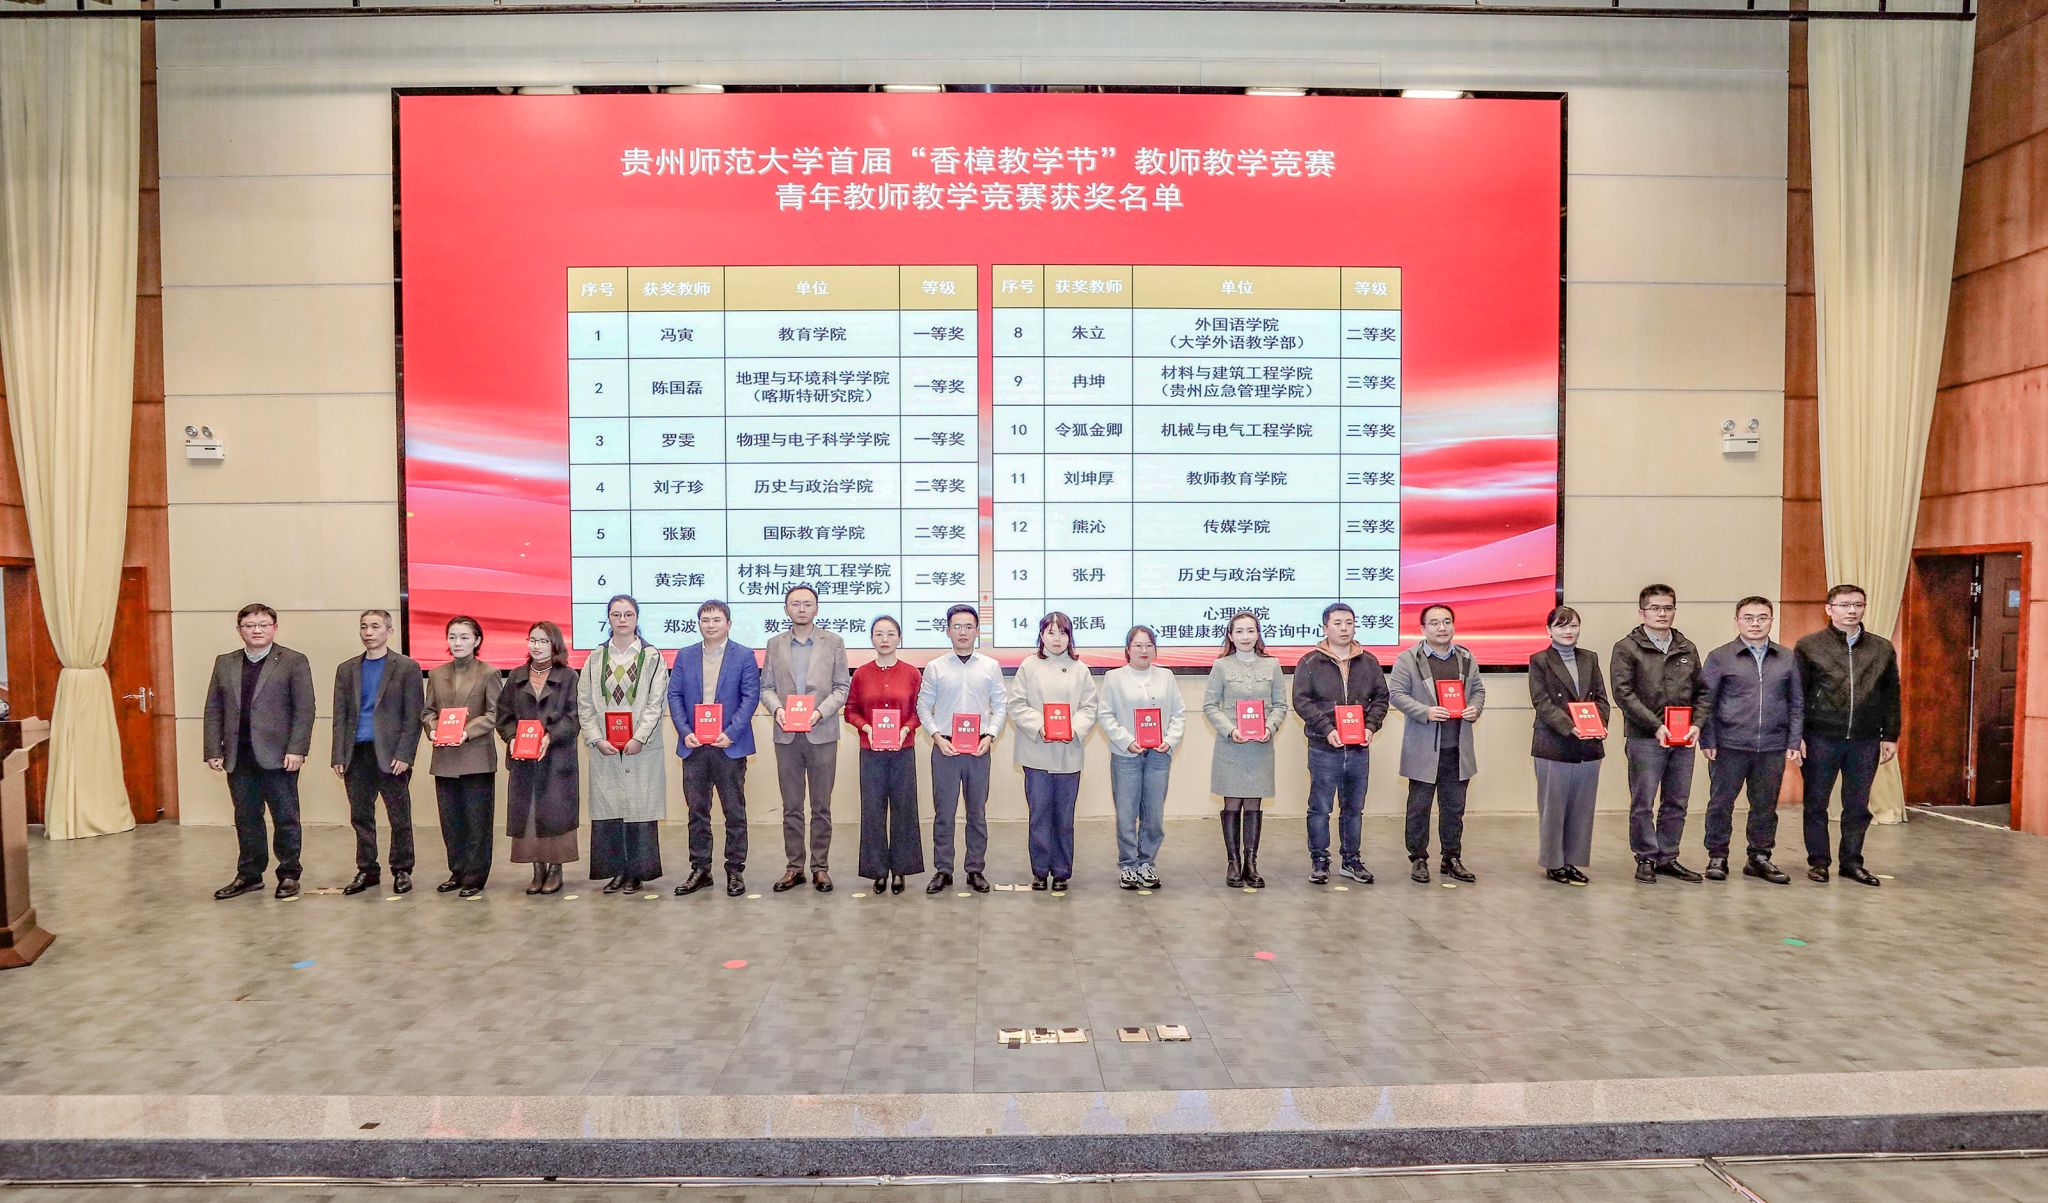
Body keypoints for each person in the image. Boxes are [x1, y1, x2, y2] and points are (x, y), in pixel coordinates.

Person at [203, 603, 316, 900]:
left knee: (285, 817)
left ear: (274, 628)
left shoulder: (293, 661)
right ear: (239, 630)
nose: (257, 630)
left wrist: (297, 749)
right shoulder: (225, 662)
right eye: (250, 625)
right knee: (246, 818)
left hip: (279, 756)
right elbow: (213, 708)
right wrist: (213, 748)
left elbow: (305, 710)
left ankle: (289, 874)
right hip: (238, 756)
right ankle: (249, 875)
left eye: (264, 624)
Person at [1794, 584, 1900, 887]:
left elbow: (1891, 695)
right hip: (1820, 737)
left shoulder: (1881, 648)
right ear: (1829, 609)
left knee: (1857, 805)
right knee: (1816, 803)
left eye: (1858, 604)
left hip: (1865, 739)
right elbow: (1797, 694)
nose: (1851, 610)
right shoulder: (1809, 646)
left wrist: (1890, 735)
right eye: (1844, 605)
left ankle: (1852, 862)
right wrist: (1796, 735)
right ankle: (1819, 862)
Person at [1610, 584, 1712, 884]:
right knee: (1643, 802)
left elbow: (1702, 692)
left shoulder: (1686, 647)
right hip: (1646, 738)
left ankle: (1668, 857)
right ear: (1641, 612)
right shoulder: (1627, 648)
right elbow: (1623, 693)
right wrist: (1656, 726)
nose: (1662, 613)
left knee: (1677, 801)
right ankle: (1645, 857)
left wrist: (1697, 724)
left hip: (1683, 738)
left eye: (1668, 608)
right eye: (1655, 608)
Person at [1700, 596, 1802, 885]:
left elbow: (1796, 703)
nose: (1755, 623)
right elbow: (1706, 702)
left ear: (1771, 620)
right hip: (1729, 744)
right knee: (1721, 803)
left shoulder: (1787, 657)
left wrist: (1793, 740)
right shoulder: (1720, 657)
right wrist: (1708, 739)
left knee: (1765, 805)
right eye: (1748, 618)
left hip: (1772, 745)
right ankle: (1717, 855)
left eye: (1762, 617)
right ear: (1737, 621)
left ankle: (1759, 856)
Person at [1292, 602, 1391, 886]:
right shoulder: (1310, 662)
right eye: (1337, 623)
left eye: (1349, 623)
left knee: (1353, 808)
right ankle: (1320, 860)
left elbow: (1381, 698)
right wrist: (1327, 729)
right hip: (1324, 748)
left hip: (1359, 748)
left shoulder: (1368, 662)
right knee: (1320, 807)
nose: (1344, 628)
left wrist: (1371, 726)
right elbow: (1301, 701)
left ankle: (1351, 860)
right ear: (1325, 627)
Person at [760, 584, 851, 894]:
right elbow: (766, 687)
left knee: (821, 806)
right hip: (786, 735)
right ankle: (794, 867)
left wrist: (820, 712)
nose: (801, 609)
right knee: (791, 806)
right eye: (795, 604)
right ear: (786, 609)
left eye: (807, 604)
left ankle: (820, 867)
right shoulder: (774, 644)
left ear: (816, 608)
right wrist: (777, 710)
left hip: (821, 734)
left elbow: (842, 687)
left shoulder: (833, 642)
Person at [577, 594, 670, 895]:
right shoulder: (595, 658)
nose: (622, 620)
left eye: (628, 614)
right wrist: (596, 738)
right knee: (610, 808)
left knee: (639, 809)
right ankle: (616, 871)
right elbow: (584, 703)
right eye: (616, 614)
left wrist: (639, 737)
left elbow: (656, 702)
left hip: (640, 746)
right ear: (608, 618)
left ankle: (637, 874)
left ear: (636, 618)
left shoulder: (652, 657)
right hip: (605, 746)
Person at [330, 609, 426, 897]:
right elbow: (340, 715)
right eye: (364, 626)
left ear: (389, 632)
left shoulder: (407, 667)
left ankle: (402, 868)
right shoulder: (347, 669)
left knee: (399, 815)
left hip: (391, 753)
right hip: (356, 751)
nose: (368, 632)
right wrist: (338, 755)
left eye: (375, 626)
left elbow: (413, 716)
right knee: (360, 815)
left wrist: (405, 754)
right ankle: (367, 869)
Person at [668, 599, 760, 898]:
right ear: (699, 624)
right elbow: (674, 695)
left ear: (728, 624)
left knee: (734, 812)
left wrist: (731, 733)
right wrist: (685, 732)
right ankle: (700, 869)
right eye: (705, 620)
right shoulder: (685, 655)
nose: (711, 625)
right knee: (697, 811)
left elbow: (750, 697)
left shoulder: (744, 655)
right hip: (694, 746)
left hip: (729, 746)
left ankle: (735, 869)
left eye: (717, 620)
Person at [1389, 603, 1485, 884]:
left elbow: (1478, 690)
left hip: (1458, 747)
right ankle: (1418, 858)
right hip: (1423, 747)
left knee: (1454, 808)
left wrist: (1475, 708)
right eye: (1434, 623)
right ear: (1422, 628)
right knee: (1419, 807)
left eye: (1446, 622)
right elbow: (1396, 694)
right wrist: (1425, 711)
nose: (1441, 628)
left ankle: (1451, 857)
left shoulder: (1465, 657)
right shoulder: (1408, 658)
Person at [916, 603, 1007, 895]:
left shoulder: (990, 666)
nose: (963, 632)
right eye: (957, 626)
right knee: (944, 812)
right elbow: (923, 706)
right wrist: (936, 737)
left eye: (968, 626)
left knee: (976, 812)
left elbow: (1000, 706)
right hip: (946, 748)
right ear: (948, 631)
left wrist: (990, 736)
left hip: (979, 747)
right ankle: (943, 869)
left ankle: (975, 869)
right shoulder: (935, 667)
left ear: (977, 631)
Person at [1008, 611, 1100, 891]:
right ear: (1041, 636)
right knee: (1039, 814)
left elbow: (1090, 707)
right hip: (1036, 752)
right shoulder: (1029, 666)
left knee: (1064, 817)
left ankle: (1061, 871)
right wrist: (1041, 726)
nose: (1057, 638)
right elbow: (1016, 704)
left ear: (1070, 637)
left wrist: (1072, 728)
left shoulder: (1080, 669)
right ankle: (1039, 871)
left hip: (1068, 752)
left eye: (1063, 633)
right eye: (1051, 632)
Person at [1202, 611, 1289, 887]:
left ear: (1258, 634)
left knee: (1254, 802)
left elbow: (1280, 705)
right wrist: (1230, 729)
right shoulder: (1221, 666)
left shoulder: (1272, 665)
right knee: (1232, 802)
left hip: (1260, 747)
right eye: (1239, 631)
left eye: (1250, 631)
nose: (1245, 636)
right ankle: (1233, 863)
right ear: (1230, 635)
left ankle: (1251, 864)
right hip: (1231, 746)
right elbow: (1210, 705)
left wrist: (1270, 728)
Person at [495, 620, 580, 895]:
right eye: (533, 640)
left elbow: (574, 716)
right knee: (529, 814)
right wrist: (511, 738)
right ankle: (537, 869)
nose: (537, 646)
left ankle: (555, 869)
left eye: (543, 641)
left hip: (556, 759)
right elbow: (503, 716)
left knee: (555, 814)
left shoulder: (569, 677)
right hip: (524, 761)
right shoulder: (516, 676)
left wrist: (550, 736)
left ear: (555, 645)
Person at [1099, 625, 1185, 890]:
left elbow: (1178, 713)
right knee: (1126, 814)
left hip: (1159, 755)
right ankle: (1128, 865)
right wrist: (1127, 740)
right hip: (1126, 754)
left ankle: (1147, 863)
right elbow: (1105, 714)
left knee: (1154, 814)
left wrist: (1169, 740)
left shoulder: (1166, 676)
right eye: (1138, 645)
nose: (1144, 650)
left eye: (1149, 645)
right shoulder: (1114, 677)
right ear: (1128, 649)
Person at [1527, 606, 1609, 884]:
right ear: (1548, 630)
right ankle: (1554, 863)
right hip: (1554, 742)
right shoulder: (1539, 660)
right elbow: (1542, 702)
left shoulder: (1590, 658)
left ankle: (1572, 861)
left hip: (1589, 744)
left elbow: (1601, 698)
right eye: (1561, 626)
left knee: (1581, 808)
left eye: (1573, 625)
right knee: (1554, 807)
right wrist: (1570, 726)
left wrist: (1599, 724)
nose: (1568, 631)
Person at [422, 615, 502, 897]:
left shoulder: (489, 673)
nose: (458, 642)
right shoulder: (436, 674)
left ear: (477, 640)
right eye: (453, 637)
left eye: (464, 637)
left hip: (476, 757)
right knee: (451, 821)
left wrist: (467, 731)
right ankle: (457, 871)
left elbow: (495, 713)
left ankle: (475, 876)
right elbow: (428, 712)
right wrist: (433, 729)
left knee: (477, 822)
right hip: (444, 758)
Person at [844, 615, 924, 895]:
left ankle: (900, 869)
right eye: (879, 634)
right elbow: (850, 710)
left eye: (890, 633)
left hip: (903, 750)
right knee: (872, 811)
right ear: (871, 639)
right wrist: (867, 728)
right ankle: (877, 870)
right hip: (871, 752)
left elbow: (920, 711)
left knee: (904, 809)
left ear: (899, 638)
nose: (885, 639)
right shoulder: (861, 674)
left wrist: (905, 729)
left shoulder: (912, 674)